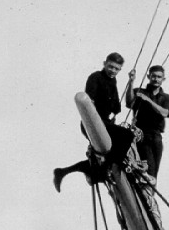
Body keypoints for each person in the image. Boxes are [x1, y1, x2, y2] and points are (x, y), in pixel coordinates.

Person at [54, 52, 132, 188]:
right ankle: (110, 169)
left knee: (104, 164)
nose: (113, 70)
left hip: (105, 124)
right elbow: (91, 101)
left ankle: (63, 172)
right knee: (127, 135)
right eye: (110, 66)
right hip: (93, 123)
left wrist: (130, 81)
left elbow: (116, 107)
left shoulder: (113, 81)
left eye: (116, 69)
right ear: (104, 64)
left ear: (120, 70)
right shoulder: (95, 77)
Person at [129, 65, 169, 182]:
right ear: (148, 76)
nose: (156, 79)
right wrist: (131, 82)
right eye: (153, 76)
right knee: (148, 170)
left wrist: (148, 100)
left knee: (154, 173)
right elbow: (129, 102)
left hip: (156, 136)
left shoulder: (166, 97)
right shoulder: (139, 92)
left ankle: (150, 192)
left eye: (159, 77)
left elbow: (165, 113)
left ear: (163, 79)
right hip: (142, 135)